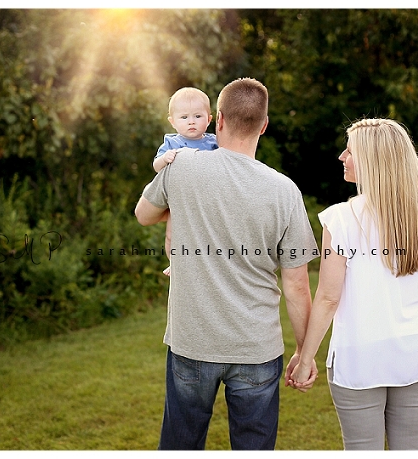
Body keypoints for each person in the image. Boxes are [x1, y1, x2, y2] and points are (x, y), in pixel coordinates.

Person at [135, 77, 319, 450]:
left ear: (217, 119)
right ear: (264, 125)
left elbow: (143, 214)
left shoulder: (181, 166)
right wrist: (304, 351)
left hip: (192, 342)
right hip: (256, 347)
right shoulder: (284, 189)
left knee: (180, 446)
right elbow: (297, 283)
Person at [289, 118, 418, 450]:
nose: (342, 157)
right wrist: (410, 337)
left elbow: (329, 298)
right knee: (413, 448)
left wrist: (305, 358)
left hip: (358, 360)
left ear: (373, 160)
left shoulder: (340, 220)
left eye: (350, 150)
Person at [152, 87, 219, 276]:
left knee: (206, 233)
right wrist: (165, 159)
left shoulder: (214, 143)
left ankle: (207, 262)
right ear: (172, 122)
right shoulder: (172, 143)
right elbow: (156, 166)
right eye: (184, 117)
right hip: (180, 201)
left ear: (209, 119)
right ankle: (174, 262)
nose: (191, 121)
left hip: (207, 200)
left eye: (198, 116)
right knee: (172, 235)